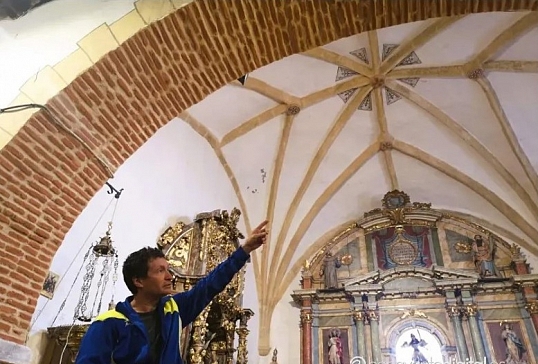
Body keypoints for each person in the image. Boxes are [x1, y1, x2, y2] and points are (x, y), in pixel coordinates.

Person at [75, 220, 269, 364]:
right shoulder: (108, 323)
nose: (170, 276)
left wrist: (245, 250)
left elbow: (210, 285)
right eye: (161, 271)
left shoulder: (174, 310)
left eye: (169, 270)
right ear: (138, 280)